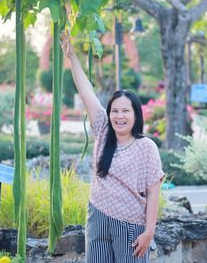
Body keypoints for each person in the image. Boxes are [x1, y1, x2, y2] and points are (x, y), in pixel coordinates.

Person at [61, 32, 164, 263]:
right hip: (97, 218)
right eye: (115, 111)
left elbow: (153, 190)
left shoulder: (146, 147)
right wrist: (72, 56)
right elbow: (85, 90)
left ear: (136, 115)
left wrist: (149, 231)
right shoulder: (104, 130)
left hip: (129, 224)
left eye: (125, 111)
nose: (119, 116)